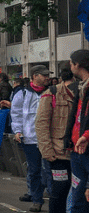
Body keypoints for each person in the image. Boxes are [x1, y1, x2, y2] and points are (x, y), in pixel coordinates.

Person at [36, 67, 76, 213]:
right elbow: (41, 123)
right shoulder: (51, 93)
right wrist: (46, 151)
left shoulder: (83, 92)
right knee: (60, 190)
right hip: (58, 153)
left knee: (79, 192)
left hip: (79, 152)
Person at [12, 66, 50, 212]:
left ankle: (52, 197)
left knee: (48, 170)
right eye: (44, 75)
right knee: (34, 170)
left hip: (48, 138)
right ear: (35, 76)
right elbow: (16, 114)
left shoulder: (51, 91)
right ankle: (36, 199)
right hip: (30, 138)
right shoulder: (22, 93)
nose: (47, 78)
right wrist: (17, 131)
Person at [64, 50, 89, 213]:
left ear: (78, 64)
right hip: (77, 148)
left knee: (82, 198)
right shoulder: (81, 87)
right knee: (78, 197)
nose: (69, 66)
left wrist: (86, 136)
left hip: (85, 149)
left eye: (71, 63)